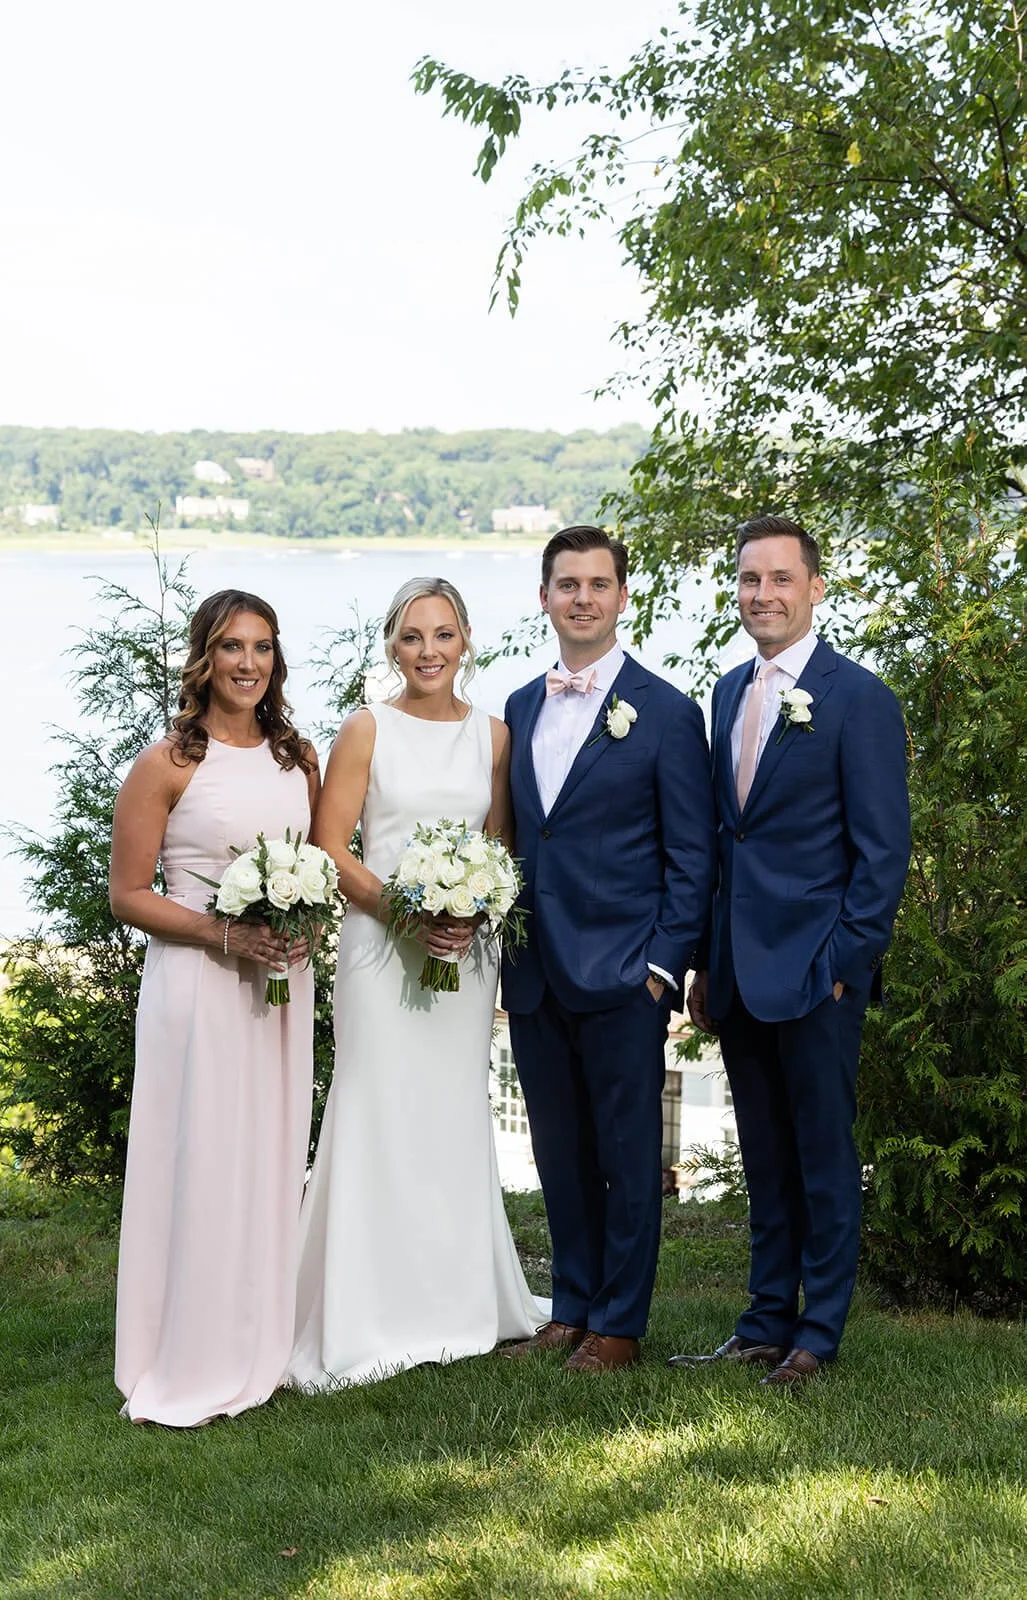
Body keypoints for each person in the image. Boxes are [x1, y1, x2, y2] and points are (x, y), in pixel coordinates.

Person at [671, 515, 911, 1387]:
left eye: (779, 579)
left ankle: (818, 1334)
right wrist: (703, 960)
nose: (761, 595)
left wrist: (846, 965)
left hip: (817, 973)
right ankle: (763, 1320)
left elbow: (882, 852)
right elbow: (720, 842)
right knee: (764, 1155)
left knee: (820, 1155)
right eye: (747, 580)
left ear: (815, 587)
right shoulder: (729, 692)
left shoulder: (858, 699)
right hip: (737, 968)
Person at [288, 577, 545, 1391]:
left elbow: (498, 848)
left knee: (448, 1111)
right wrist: (404, 910)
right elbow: (331, 847)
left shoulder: (495, 738)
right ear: (391, 647)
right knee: (377, 1105)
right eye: (410, 637)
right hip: (377, 950)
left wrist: (470, 912)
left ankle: (457, 1296)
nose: (427, 651)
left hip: (464, 956)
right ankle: (366, 1308)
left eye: (442, 635)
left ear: (466, 639)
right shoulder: (366, 729)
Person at [501, 526, 716, 1372]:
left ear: (622, 597)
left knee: (628, 1158)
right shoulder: (520, 706)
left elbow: (690, 856)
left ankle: (619, 1325)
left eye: (597, 583)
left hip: (627, 975)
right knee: (559, 1153)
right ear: (545, 598)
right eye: (566, 584)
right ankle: (573, 1306)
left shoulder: (664, 711)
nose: (581, 597)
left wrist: (663, 969)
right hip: (534, 972)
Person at [111, 590, 321, 1426]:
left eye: (262, 648)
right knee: (199, 1157)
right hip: (198, 985)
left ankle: (259, 1333)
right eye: (232, 647)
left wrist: (299, 924)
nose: (248, 664)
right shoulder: (167, 761)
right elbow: (127, 895)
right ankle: (187, 1346)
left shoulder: (297, 756)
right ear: (203, 657)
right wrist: (222, 935)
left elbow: (317, 861)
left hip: (279, 985)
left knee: (268, 1154)